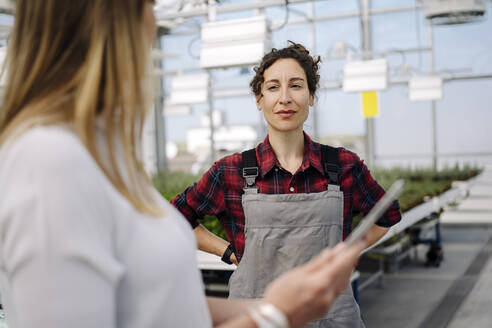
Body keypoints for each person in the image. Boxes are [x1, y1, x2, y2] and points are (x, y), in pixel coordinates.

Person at [0, 1, 367, 328]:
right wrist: (275, 316)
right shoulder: (48, 162)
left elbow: (162, 308)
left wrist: (269, 306)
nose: (152, 18)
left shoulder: (104, 154)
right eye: (147, 3)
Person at [171, 41, 402, 327]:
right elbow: (175, 218)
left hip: (332, 318)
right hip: (254, 317)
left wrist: (349, 251)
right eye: (272, 87)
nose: (284, 98)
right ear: (259, 100)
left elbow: (387, 213)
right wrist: (227, 251)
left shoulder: (342, 165)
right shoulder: (232, 171)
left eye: (296, 85)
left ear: (311, 96)